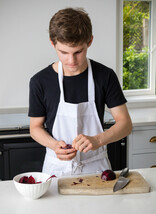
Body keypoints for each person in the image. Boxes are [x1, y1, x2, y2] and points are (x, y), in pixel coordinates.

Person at [29, 8, 132, 177]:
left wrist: (98, 140)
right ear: (52, 43)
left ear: (89, 41)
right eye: (63, 52)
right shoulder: (40, 81)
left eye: (78, 52)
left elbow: (125, 124)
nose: (71, 60)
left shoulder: (105, 76)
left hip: (96, 168)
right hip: (57, 168)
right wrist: (54, 146)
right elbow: (35, 127)